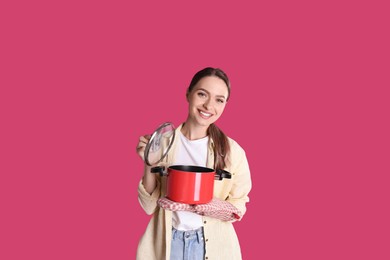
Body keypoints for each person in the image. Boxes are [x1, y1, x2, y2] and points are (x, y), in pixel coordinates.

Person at [136, 67, 252, 260]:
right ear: (188, 94)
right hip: (167, 243)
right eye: (202, 94)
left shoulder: (233, 152)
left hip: (213, 246)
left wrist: (214, 207)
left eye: (219, 100)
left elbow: (239, 203)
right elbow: (148, 206)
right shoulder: (164, 143)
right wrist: (149, 162)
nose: (208, 105)